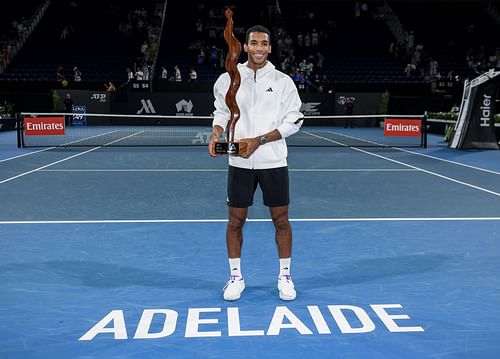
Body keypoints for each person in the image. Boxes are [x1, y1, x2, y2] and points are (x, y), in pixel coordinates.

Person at [208, 25, 303, 301]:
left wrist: (258, 141)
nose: (259, 48)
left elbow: (294, 121)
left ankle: (285, 277)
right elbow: (221, 112)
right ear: (245, 46)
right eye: (254, 43)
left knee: (281, 220)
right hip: (239, 162)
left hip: (273, 160)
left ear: (270, 48)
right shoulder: (228, 79)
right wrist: (216, 134)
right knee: (235, 221)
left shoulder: (284, 81)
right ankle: (235, 277)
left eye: (264, 43)